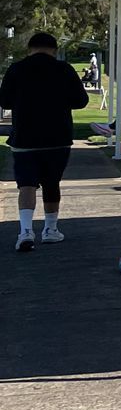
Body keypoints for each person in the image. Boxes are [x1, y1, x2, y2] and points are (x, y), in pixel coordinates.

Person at [1, 32, 89, 252]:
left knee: (26, 184)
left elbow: (4, 100)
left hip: (24, 137)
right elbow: (81, 101)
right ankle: (50, 229)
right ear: (54, 49)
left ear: (29, 48)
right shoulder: (65, 69)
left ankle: (25, 231)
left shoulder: (16, 69)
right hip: (57, 137)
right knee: (52, 183)